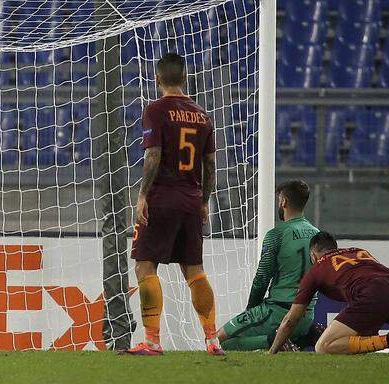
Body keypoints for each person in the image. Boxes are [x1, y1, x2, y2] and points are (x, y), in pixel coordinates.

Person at [123, 52, 224, 356]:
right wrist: (204, 201)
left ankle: (152, 341)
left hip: (162, 198)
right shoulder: (203, 115)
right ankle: (212, 340)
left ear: (157, 79)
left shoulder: (155, 110)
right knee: (195, 271)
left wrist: (142, 195)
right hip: (191, 201)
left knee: (144, 265)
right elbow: (210, 164)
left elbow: (153, 155)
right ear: (185, 78)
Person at [269, 231, 389, 355]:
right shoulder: (359, 251)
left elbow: (291, 319)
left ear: (313, 255)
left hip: (372, 292)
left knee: (324, 346)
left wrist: (272, 350)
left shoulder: (316, 270)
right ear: (335, 247)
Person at [216, 180, 320, 351]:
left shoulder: (276, 235)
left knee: (219, 341)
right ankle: (304, 338)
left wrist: (251, 311)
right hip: (306, 315)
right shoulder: (319, 236)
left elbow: (262, 279)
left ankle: (275, 340)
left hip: (277, 312)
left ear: (283, 202)